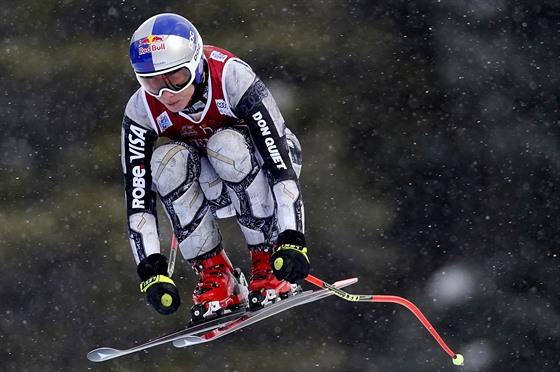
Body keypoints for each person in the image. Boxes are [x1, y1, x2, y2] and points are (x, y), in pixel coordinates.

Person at [122, 13, 310, 321]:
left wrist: (292, 237)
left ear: (196, 64)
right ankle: (216, 275)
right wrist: (150, 270)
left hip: (269, 163)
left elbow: (281, 165)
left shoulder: (232, 77)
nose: (165, 94)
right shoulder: (141, 109)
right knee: (165, 161)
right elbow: (138, 199)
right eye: (151, 81)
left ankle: (266, 256)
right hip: (213, 184)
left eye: (176, 78)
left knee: (226, 144)